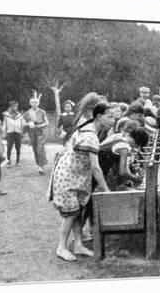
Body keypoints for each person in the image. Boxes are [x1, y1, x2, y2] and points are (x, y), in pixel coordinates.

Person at [48, 102, 114, 262]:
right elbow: (95, 167)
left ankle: (78, 244)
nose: (113, 120)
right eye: (110, 117)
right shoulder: (90, 136)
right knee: (70, 215)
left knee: (77, 212)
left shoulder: (89, 129)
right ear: (99, 117)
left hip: (76, 177)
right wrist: (106, 189)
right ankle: (61, 247)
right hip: (68, 178)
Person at [99, 123, 149, 190]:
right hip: (101, 172)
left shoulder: (118, 137)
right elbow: (123, 172)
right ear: (138, 143)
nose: (138, 149)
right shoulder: (124, 148)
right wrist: (135, 178)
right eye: (139, 146)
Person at [23, 97, 49, 174]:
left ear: (38, 103)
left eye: (36, 102)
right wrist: (28, 124)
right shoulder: (27, 113)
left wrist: (40, 125)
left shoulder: (42, 112)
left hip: (40, 131)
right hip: (31, 132)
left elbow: (46, 122)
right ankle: (39, 165)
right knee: (35, 149)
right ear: (30, 103)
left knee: (40, 148)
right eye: (33, 102)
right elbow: (23, 123)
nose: (35, 104)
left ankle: (41, 166)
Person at [2, 100, 25, 167]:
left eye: (16, 106)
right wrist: (4, 133)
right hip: (10, 132)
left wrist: (22, 132)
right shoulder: (7, 115)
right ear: (10, 107)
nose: (15, 108)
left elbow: (22, 124)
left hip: (18, 132)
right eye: (13, 106)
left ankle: (18, 161)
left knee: (18, 147)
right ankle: (8, 162)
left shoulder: (20, 115)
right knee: (9, 147)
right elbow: (4, 125)